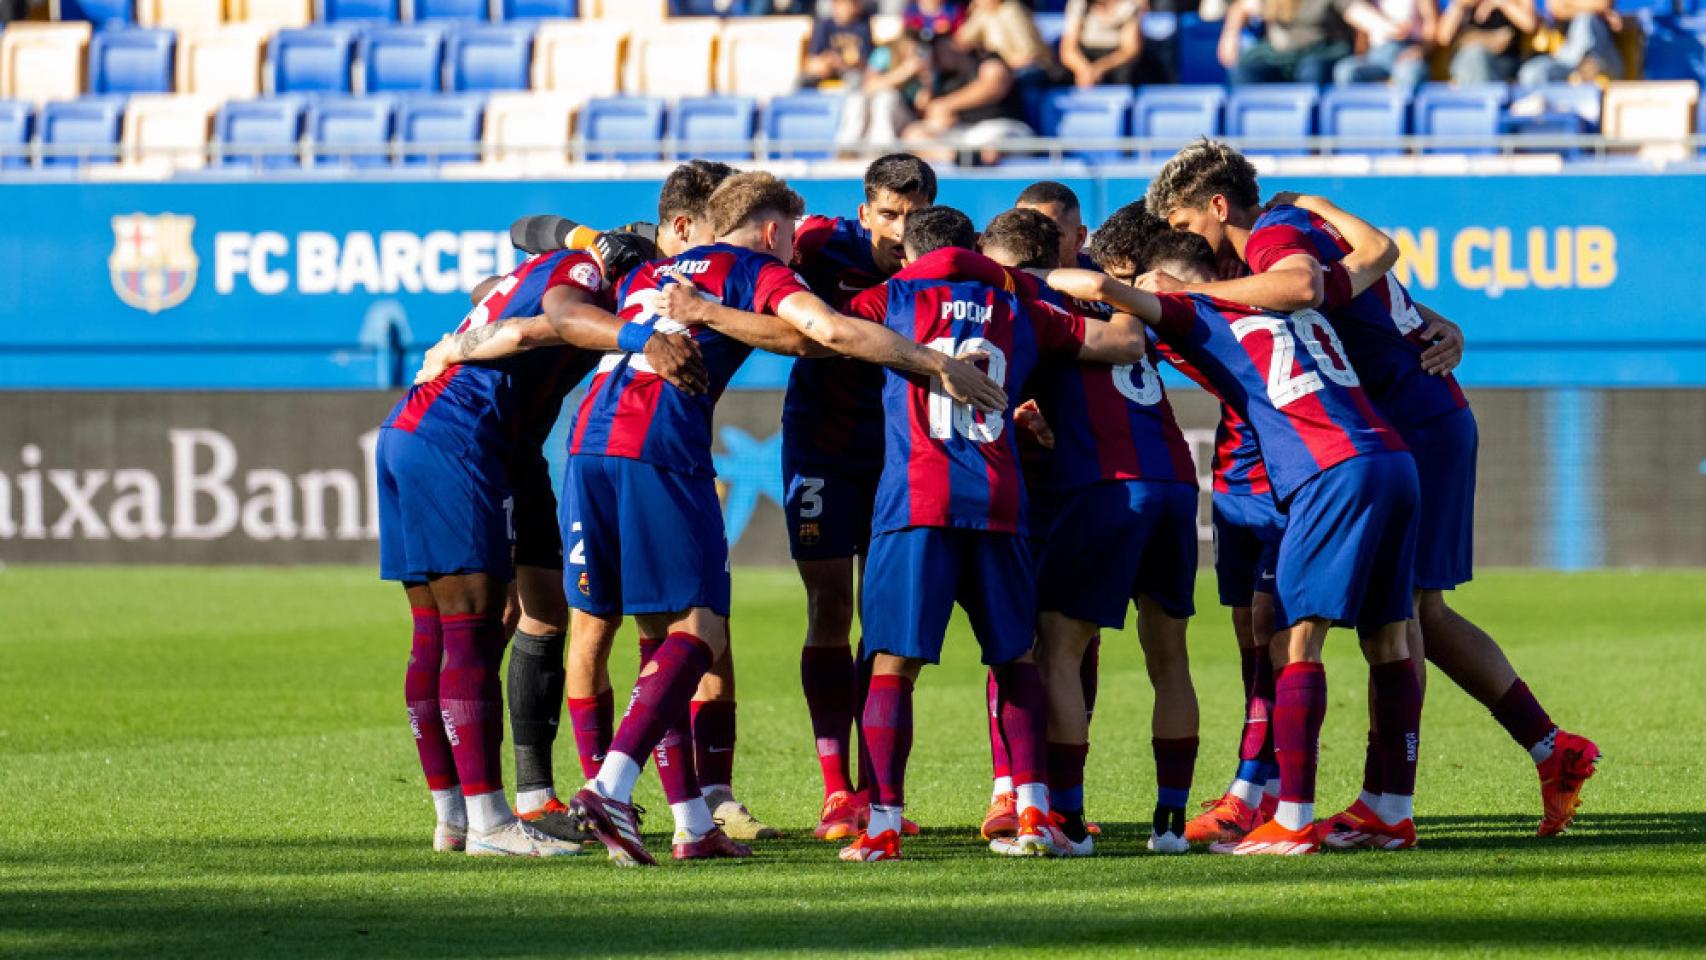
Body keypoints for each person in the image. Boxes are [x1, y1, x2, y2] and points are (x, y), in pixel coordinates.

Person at [1145, 139, 1601, 840]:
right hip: (1418, 415)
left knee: (1400, 617)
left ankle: (1387, 804)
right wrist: (1437, 324)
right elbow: (1373, 285)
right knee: (1421, 613)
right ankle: (1544, 749)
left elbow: (1302, 288)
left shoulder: (1273, 235)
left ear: (1215, 205)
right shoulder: (1292, 229)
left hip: (1408, 423)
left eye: (1181, 225)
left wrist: (1188, 294)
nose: (1181, 242)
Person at [558, 173, 1003, 867]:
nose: (795, 254)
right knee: (701, 630)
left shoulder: (659, 269)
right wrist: (934, 363)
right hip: (659, 450)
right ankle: (611, 785)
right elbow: (824, 330)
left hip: (587, 442)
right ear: (771, 231)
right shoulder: (753, 266)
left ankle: (690, 823)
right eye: (788, 240)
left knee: (659, 638)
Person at [1047, 227, 1423, 856]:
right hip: (1391, 459)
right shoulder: (1284, 300)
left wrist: (1027, 279)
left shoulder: (1195, 307)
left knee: (1295, 639)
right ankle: (1391, 809)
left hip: (1328, 468)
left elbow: (1093, 287)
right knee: (1388, 636)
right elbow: (1376, 264)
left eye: (1144, 283)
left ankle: (1293, 818)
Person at [825, 206, 1149, 862]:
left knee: (893, 661)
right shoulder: (1020, 305)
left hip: (917, 497)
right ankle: (1034, 814)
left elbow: (817, 331)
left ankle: (884, 823)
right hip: (1000, 496)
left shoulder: (891, 295)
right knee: (1016, 658)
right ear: (974, 245)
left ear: (913, 250)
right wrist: (1137, 288)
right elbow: (1121, 344)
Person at [379, 234, 703, 858]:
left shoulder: (546, 271)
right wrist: (641, 335)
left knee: (508, 614)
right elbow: (545, 323)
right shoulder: (582, 277)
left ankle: (464, 814)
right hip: (460, 436)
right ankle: (488, 822)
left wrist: (466, 339)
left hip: (458, 437)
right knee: (469, 628)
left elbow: (511, 303)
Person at [979, 208, 1203, 856]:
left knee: (1057, 650)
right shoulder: (1116, 298)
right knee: (1170, 659)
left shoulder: (1032, 306)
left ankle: (1069, 824)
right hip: (1173, 483)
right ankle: (1169, 824)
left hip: (1105, 486)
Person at [784, 154, 938, 842]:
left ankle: (878, 784)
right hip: (819, 444)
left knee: (885, 617)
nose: (901, 229)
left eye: (913, 214)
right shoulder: (819, 244)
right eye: (889, 215)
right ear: (865, 210)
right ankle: (836, 788)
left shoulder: (940, 257)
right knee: (828, 605)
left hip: (902, 452)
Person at [903, 34, 1034, 165]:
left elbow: (995, 84)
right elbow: (937, 119)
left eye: (938, 44)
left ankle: (973, 159)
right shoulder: (941, 79)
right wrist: (927, 80)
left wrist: (947, 105)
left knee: (991, 147)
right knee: (914, 134)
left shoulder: (986, 61)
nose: (935, 51)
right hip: (965, 135)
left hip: (1002, 127)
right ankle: (961, 158)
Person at [1219, 0, 1357, 85]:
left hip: (1321, 51)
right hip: (1278, 55)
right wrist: (1230, 35)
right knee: (1245, 71)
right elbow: (1243, 7)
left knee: (1312, 69)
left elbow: (1358, 13)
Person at [1333, 0, 1436, 89]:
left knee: (1410, 74)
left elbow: (1432, 23)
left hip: (1406, 52)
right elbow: (1362, 31)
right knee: (1345, 71)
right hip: (1376, 55)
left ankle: (1402, 111)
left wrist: (1422, 49)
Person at [1517, 0, 1624, 85]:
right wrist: (1594, 8)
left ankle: (1587, 63)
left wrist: (1569, 5)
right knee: (1531, 73)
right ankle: (1583, 66)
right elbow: (1556, 8)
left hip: (1603, 59)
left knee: (1586, 19)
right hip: (1565, 59)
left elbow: (1603, 3)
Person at [1435, 0, 1537, 84]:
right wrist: (1459, 6)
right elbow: (1444, 38)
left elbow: (1530, 25)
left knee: (1477, 56)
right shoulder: (1464, 5)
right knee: (1474, 55)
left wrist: (1501, 3)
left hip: (1503, 63)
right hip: (1466, 62)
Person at [1061, 0, 1145, 89]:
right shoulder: (1078, 4)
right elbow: (1068, 49)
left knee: (1126, 73)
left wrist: (1099, 69)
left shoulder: (1130, 6)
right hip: (1084, 57)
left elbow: (1130, 49)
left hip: (1115, 59)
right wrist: (1084, 70)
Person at [805, 0, 876, 88]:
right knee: (803, 80)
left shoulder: (863, 27)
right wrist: (827, 62)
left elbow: (866, 61)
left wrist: (842, 62)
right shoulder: (823, 26)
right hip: (826, 71)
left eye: (854, 3)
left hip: (851, 72)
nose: (852, 7)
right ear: (836, 4)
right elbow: (812, 61)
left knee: (854, 79)